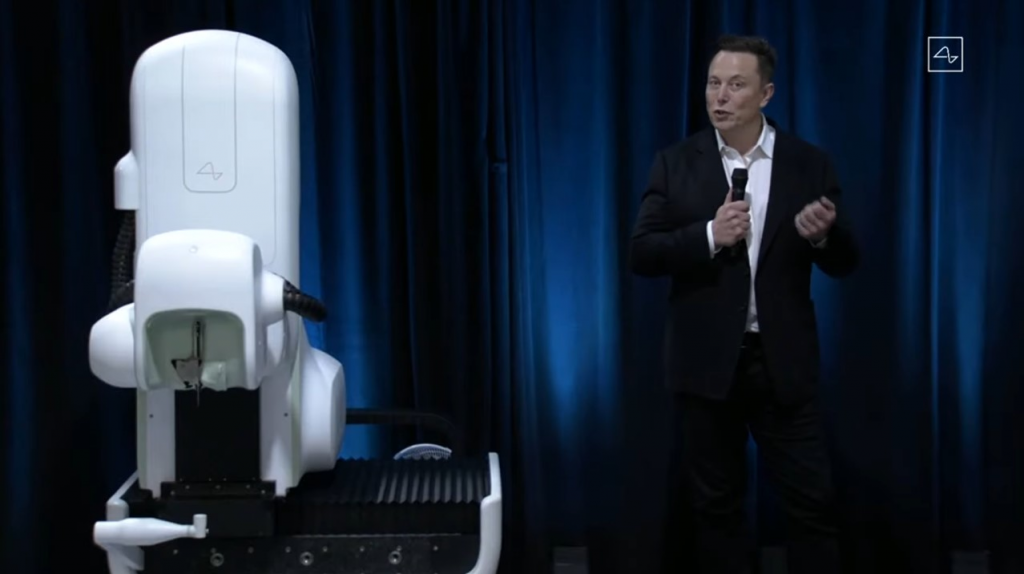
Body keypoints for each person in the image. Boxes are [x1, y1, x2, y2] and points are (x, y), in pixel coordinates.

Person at [629, 35, 859, 574]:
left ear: (766, 93)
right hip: (706, 365)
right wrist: (709, 235)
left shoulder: (808, 164)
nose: (721, 96)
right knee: (716, 511)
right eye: (714, 83)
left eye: (736, 85)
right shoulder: (676, 163)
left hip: (781, 364)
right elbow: (642, 252)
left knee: (812, 505)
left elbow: (846, 261)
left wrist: (824, 237)